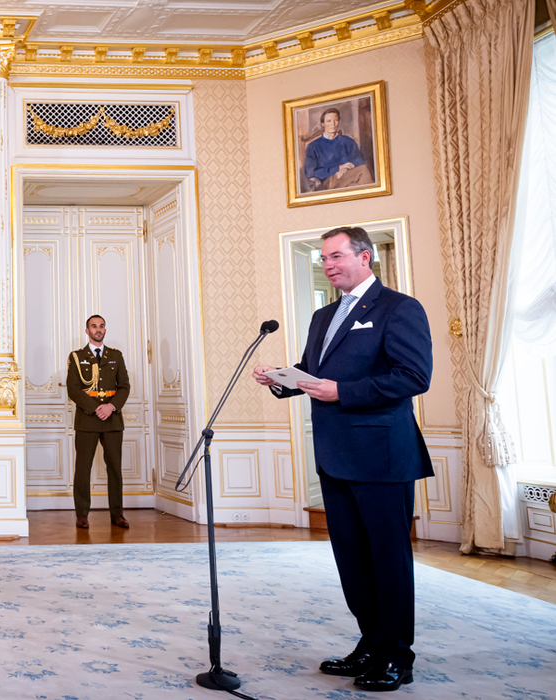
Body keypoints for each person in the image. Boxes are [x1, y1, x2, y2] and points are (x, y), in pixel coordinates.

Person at [252, 226, 432, 692]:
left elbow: (413, 376)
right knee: (351, 559)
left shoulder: (399, 308)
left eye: (336, 256)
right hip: (334, 456)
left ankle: (396, 656)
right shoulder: (323, 315)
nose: (328, 265)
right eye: (324, 258)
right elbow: (314, 374)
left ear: (364, 256)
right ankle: (369, 644)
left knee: (388, 559)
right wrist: (280, 379)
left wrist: (343, 392)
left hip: (382, 456)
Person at [66, 315, 131, 530]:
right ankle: (82, 514)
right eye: (94, 326)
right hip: (87, 419)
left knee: (115, 468)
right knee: (83, 468)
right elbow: (73, 388)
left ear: (105, 329)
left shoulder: (116, 356)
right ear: (87, 331)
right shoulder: (77, 357)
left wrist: (110, 406)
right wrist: (95, 408)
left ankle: (117, 514)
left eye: (101, 326)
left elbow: (124, 386)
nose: (98, 330)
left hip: (112, 420)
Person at [304, 107, 373, 192]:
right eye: (329, 121)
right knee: (363, 171)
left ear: (339, 121)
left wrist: (344, 170)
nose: (333, 124)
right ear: (323, 124)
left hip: (347, 177)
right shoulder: (313, 146)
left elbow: (359, 162)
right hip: (326, 182)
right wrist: (337, 169)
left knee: (355, 185)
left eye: (335, 120)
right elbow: (312, 173)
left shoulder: (348, 141)